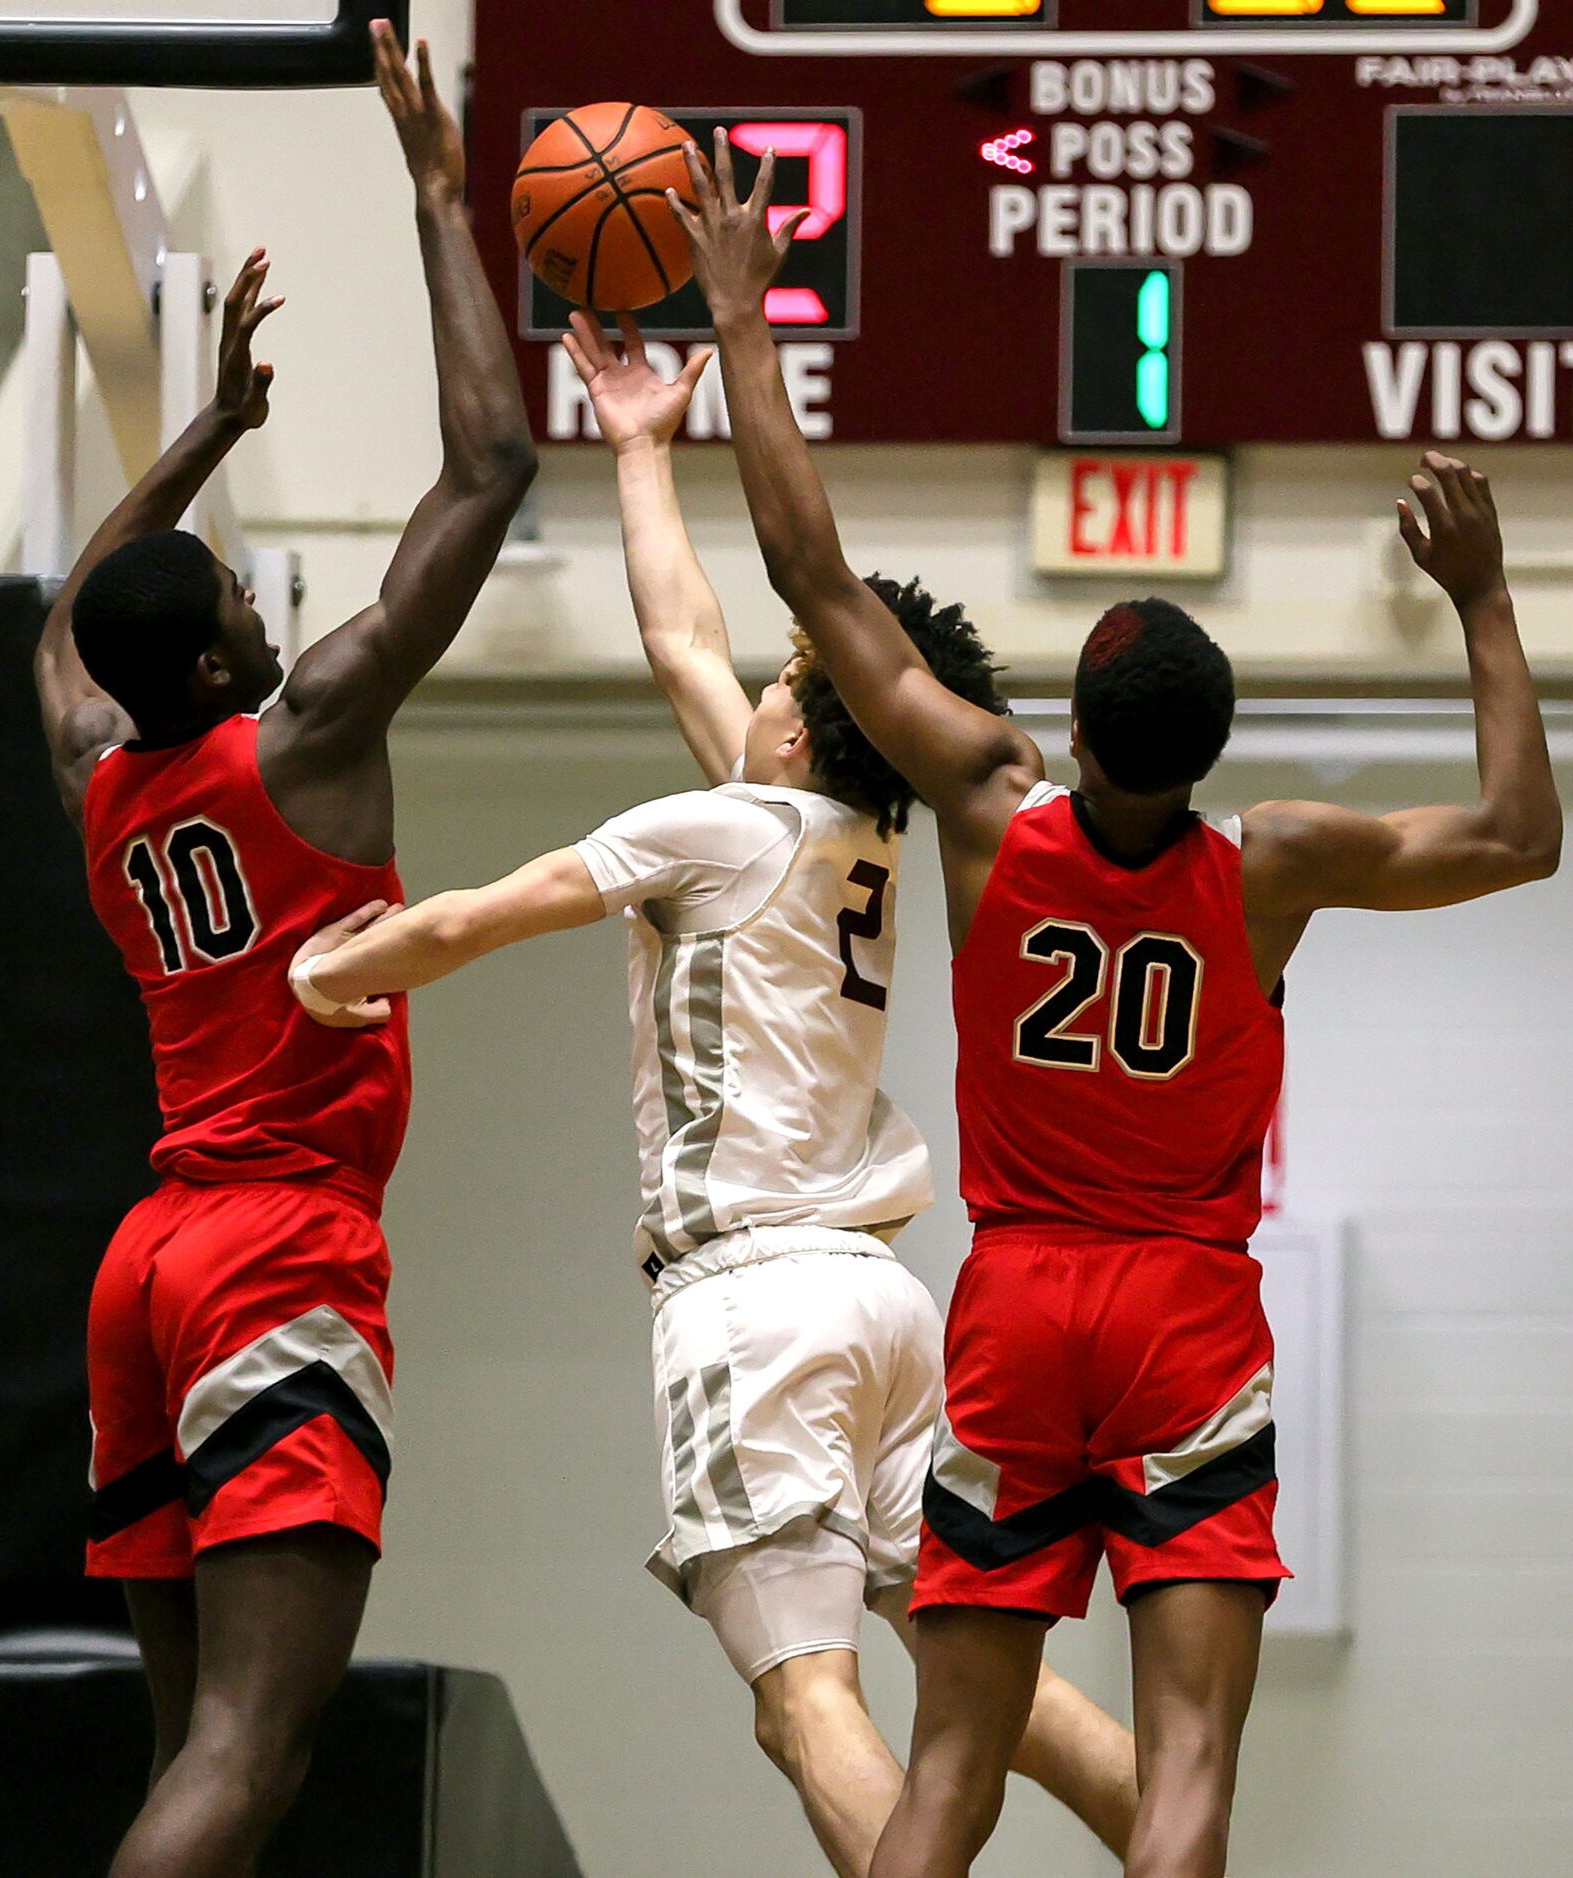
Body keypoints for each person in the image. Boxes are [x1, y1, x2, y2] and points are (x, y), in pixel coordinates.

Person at [667, 133, 1562, 1878]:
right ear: (1208, 757)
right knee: (1188, 1777)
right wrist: (1483, 595)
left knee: (947, 1779)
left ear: (1078, 730)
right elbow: (1524, 832)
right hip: (1186, 1323)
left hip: (1016, 1315)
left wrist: (742, 313)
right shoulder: (1274, 864)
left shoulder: (996, 806)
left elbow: (813, 573)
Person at [286, 309, 1140, 1878]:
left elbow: (490, 909)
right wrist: (635, 450)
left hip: (751, 1305)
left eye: (787, 673)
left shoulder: (714, 831)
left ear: (801, 720)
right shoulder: (852, 833)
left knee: (804, 1702)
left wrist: (334, 972)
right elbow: (685, 643)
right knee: (985, 1683)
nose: (748, 677)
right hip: (887, 1306)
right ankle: (1190, 1839)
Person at [30, 26, 536, 1876]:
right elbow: (490, 465)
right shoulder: (306, 731)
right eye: (241, 592)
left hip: (145, 1269)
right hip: (274, 1250)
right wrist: (436, 197)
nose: (260, 588)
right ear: (229, 664)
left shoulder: (103, 777)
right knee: (250, 1746)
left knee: (194, 1747)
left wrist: (206, 440)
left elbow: (70, 633)